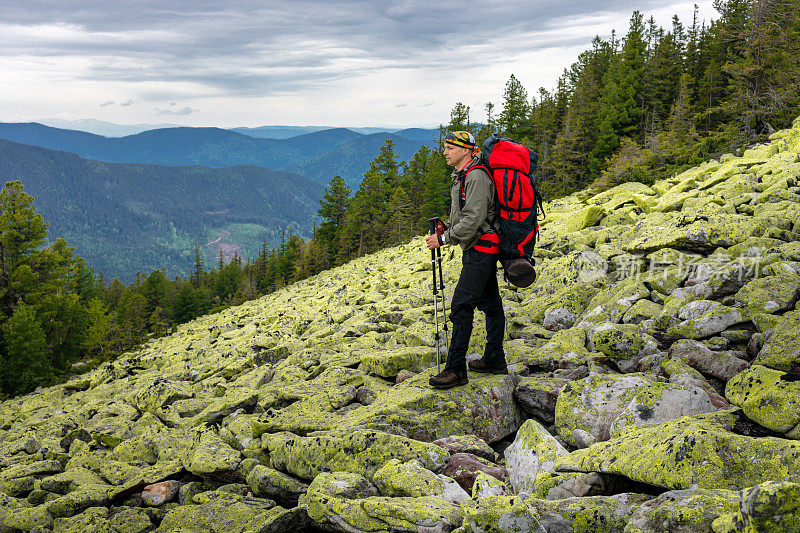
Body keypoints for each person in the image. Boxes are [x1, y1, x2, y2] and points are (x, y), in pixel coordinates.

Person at [425, 131, 507, 389]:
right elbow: (467, 215)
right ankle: (495, 359)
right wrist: (447, 226)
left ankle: (456, 369)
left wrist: (445, 238)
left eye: (450, 148)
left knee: (461, 306)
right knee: (490, 303)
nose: (445, 152)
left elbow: (473, 220)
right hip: (480, 246)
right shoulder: (465, 175)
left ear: (465, 150)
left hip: (482, 248)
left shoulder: (476, 177)